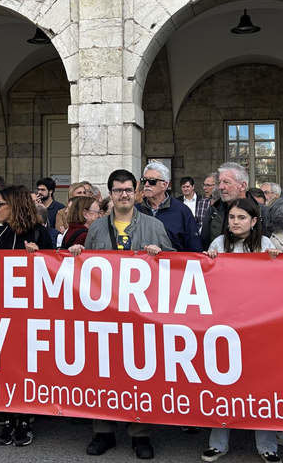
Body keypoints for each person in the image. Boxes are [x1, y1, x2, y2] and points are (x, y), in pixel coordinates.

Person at [202, 200, 283, 462]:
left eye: (241, 217)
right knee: (223, 384)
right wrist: (208, 263)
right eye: (231, 217)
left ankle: (267, 445)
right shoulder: (218, 245)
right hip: (226, 323)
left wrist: (276, 262)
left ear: (254, 221)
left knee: (263, 384)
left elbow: (282, 283)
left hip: (259, 325)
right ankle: (218, 441)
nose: (235, 222)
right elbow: (207, 282)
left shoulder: (265, 245)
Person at [73, 169, 173, 460]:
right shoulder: (97, 229)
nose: (124, 195)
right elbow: (85, 272)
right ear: (111, 194)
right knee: (101, 373)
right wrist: (77, 254)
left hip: (141, 317)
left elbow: (177, 268)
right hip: (104, 315)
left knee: (139, 374)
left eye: (129, 189)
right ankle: (103, 431)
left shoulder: (154, 226)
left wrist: (161, 255)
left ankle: (140, 434)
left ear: (137, 191)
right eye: (118, 190)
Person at [0, 185, 54, 447]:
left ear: (15, 205)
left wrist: (41, 256)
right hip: (2, 309)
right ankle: (8, 415)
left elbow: (55, 271)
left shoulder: (40, 233)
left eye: (1, 204)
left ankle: (24, 417)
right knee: (5, 364)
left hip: (31, 311)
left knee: (26, 365)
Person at [137, 162, 202, 252]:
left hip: (172, 265)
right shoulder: (135, 210)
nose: (146, 185)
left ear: (165, 184)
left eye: (152, 181)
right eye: (144, 181)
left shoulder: (182, 211)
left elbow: (194, 248)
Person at [201, 163, 251, 250]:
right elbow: (204, 244)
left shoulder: (261, 212)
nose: (220, 187)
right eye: (219, 182)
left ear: (242, 186)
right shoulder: (213, 211)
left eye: (226, 182)